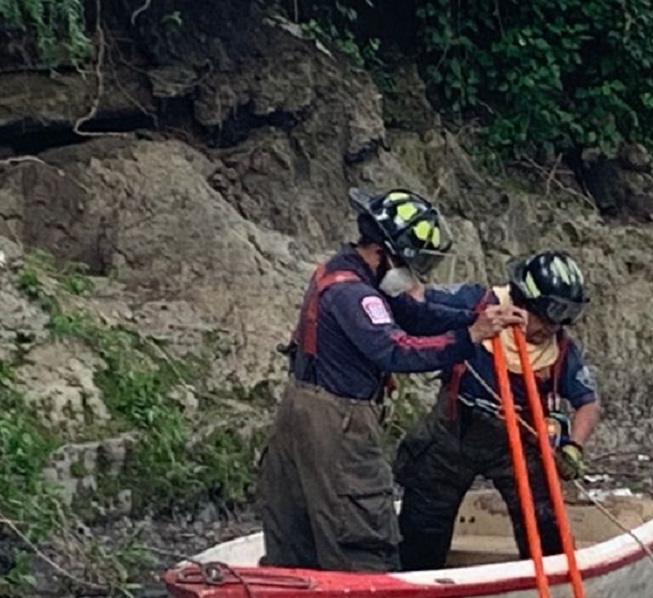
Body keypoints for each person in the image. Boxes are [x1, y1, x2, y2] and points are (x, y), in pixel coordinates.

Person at [256, 188, 525, 572]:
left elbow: (415, 315)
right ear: (385, 252)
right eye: (409, 265)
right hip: (337, 422)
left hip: (304, 408)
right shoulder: (354, 293)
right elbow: (396, 351)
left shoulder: (348, 271)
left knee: (299, 530)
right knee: (359, 528)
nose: (412, 278)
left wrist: (474, 317)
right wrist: (470, 338)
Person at [393, 250, 601, 571]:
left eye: (559, 321)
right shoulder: (475, 302)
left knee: (544, 523)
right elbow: (418, 301)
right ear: (521, 301)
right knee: (424, 522)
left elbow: (587, 402)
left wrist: (574, 447)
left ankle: (548, 587)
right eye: (545, 318)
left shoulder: (560, 349)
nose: (551, 327)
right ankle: (416, 587)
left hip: (518, 438)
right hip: (454, 428)